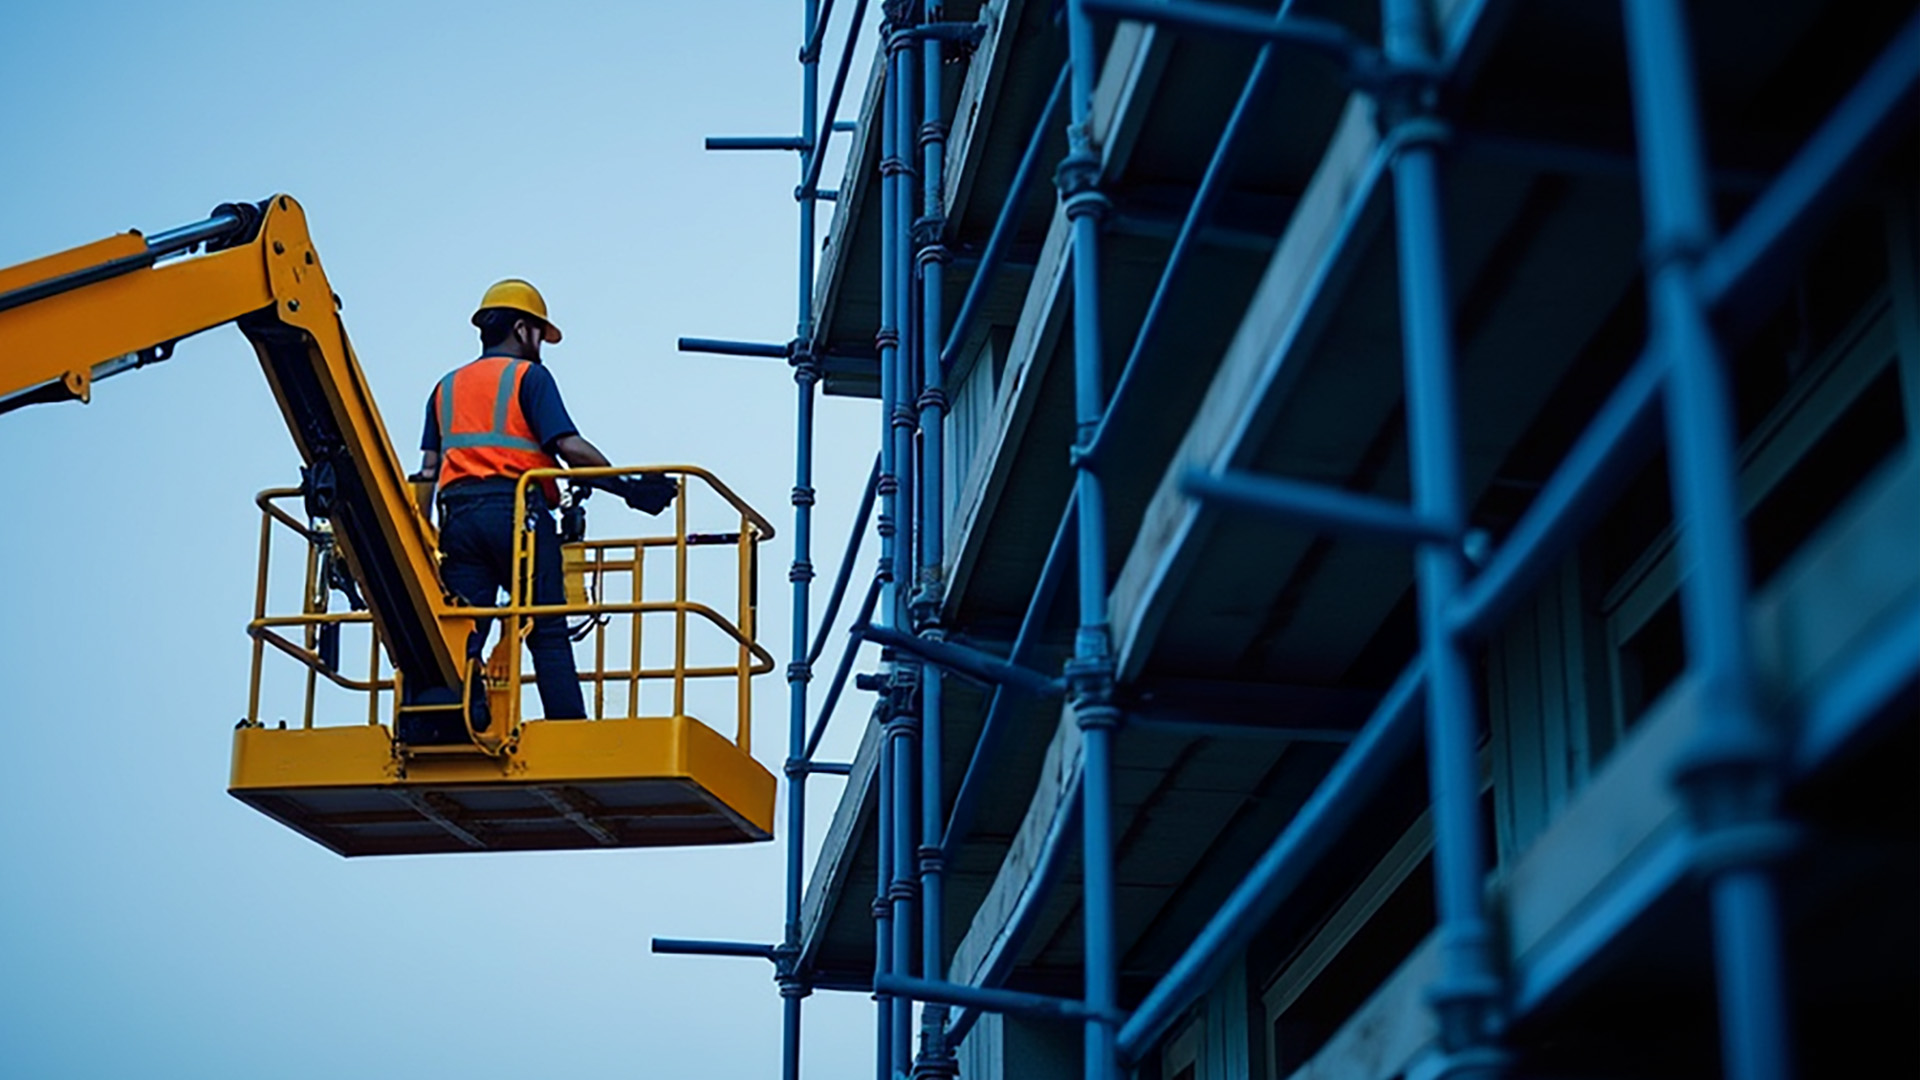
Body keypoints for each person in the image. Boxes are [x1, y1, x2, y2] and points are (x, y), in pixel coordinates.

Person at [410, 278, 668, 725]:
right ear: (522, 329)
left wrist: (420, 536)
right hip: (516, 516)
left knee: (464, 628)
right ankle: (567, 725)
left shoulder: (445, 387)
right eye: (539, 335)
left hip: (458, 522)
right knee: (546, 627)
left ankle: (453, 715)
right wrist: (626, 486)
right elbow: (569, 447)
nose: (541, 347)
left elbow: (428, 471)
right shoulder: (529, 377)